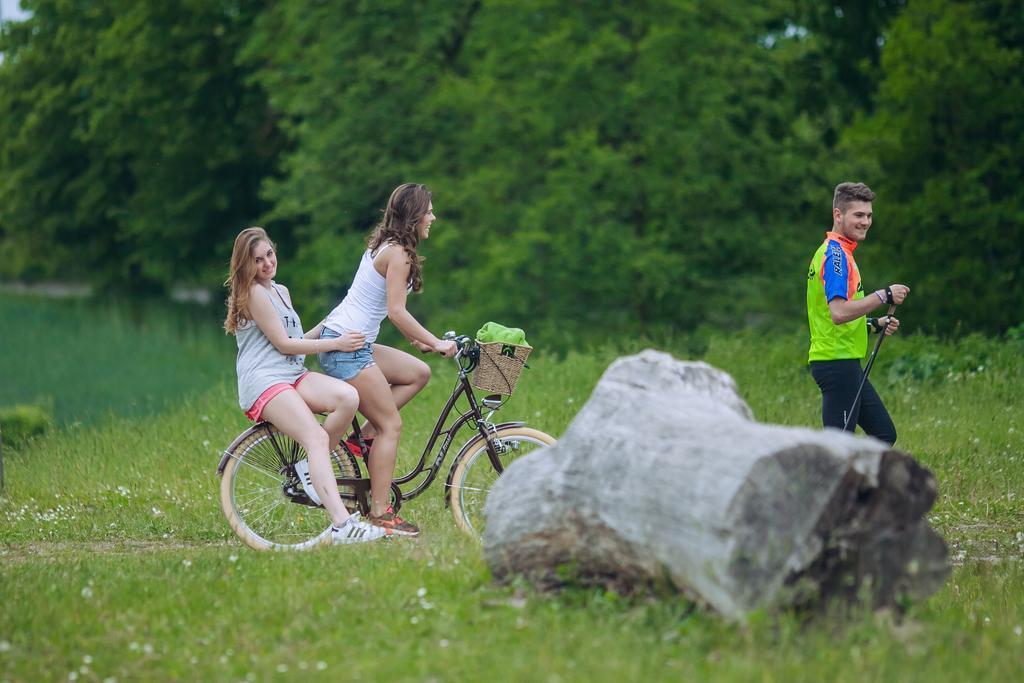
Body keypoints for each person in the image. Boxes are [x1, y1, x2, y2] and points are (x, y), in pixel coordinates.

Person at [224, 227, 386, 544]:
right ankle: (342, 524)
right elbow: (284, 345)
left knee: (347, 398)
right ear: (246, 265)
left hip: (292, 375)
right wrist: (336, 343)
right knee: (313, 435)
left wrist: (328, 326)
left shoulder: (280, 291)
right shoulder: (254, 293)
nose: (267, 263)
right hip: (266, 380)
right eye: (258, 260)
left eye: (269, 254)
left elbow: (296, 340)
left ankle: (310, 469)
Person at [313, 183, 457, 537]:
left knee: (417, 373)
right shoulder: (398, 253)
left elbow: (378, 305)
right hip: (347, 348)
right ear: (414, 215)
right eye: (429, 210)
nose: (433, 217)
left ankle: (357, 439)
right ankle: (380, 512)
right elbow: (395, 311)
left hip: (350, 340)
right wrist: (435, 341)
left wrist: (418, 343)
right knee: (390, 426)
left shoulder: (387, 244)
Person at [806, 182, 909, 445]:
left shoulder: (840, 254)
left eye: (869, 215)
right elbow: (839, 313)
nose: (865, 222)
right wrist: (884, 295)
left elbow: (836, 320)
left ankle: (858, 486)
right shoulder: (836, 256)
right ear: (838, 215)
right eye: (858, 215)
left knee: (884, 434)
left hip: (844, 361)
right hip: (836, 362)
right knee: (838, 450)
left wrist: (875, 324)